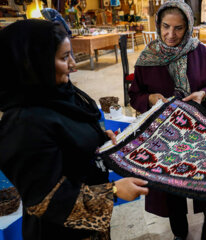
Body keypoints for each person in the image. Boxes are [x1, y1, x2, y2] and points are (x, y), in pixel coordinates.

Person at [0, 19, 149, 240]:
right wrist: (114, 191)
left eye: (71, 54)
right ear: (33, 63)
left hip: (89, 228)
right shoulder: (24, 124)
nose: (73, 65)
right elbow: (46, 200)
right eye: (63, 58)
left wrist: (98, 138)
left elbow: (70, 134)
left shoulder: (60, 95)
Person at [128, 1, 206, 239]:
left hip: (198, 130)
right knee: (172, 189)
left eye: (178, 28)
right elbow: (134, 95)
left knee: (202, 183)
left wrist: (203, 95)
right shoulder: (148, 56)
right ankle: (180, 233)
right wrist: (149, 98)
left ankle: (205, 231)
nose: (171, 35)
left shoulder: (198, 51)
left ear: (188, 27)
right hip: (165, 136)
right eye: (165, 27)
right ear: (158, 25)